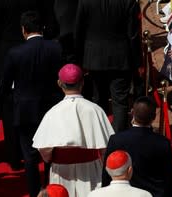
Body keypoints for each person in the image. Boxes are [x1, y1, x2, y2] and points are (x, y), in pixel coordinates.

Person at [75, 0, 139, 132]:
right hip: (121, 57)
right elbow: (133, 34)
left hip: (94, 56)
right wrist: (136, 62)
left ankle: (100, 134)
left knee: (98, 98)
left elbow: (79, 31)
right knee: (120, 101)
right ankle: (118, 137)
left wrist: (80, 58)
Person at [2, 12, 63, 197]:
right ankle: (52, 190)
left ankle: (35, 192)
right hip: (51, 109)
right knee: (51, 153)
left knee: (29, 156)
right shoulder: (56, 48)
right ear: (42, 29)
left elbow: (5, 85)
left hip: (25, 110)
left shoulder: (15, 53)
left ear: (23, 30)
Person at [33, 63, 114, 197]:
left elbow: (44, 148)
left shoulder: (53, 112)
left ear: (59, 83)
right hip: (90, 168)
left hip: (62, 170)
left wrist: (50, 158)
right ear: (82, 83)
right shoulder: (95, 110)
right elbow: (107, 146)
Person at [102, 98, 172, 197]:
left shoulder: (116, 140)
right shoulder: (163, 143)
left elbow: (107, 173)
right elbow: (168, 177)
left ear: (132, 113)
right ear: (154, 117)